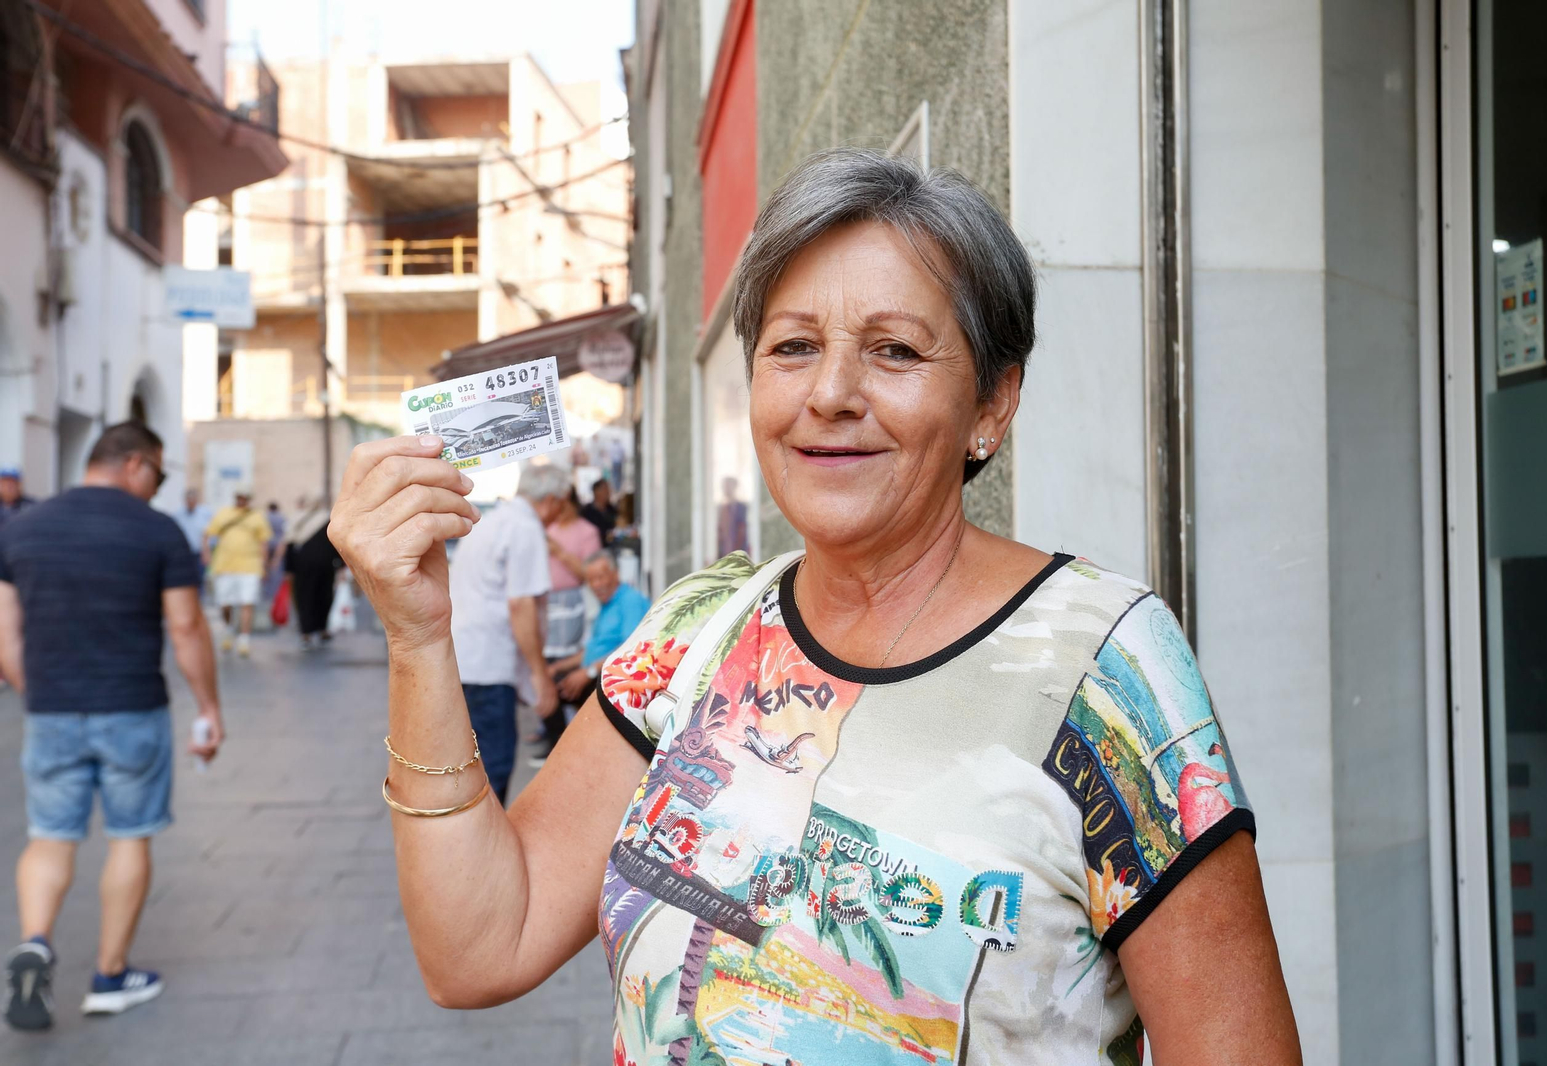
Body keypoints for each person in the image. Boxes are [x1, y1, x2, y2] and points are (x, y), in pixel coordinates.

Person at [328, 149, 1300, 1064]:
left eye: (894, 351)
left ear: (993, 405)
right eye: (793, 346)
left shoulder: (1107, 668)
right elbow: (481, 947)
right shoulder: (696, 631)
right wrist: (418, 637)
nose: (831, 393)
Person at [0, 421, 223, 1031]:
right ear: (136, 464)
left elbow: (4, 632)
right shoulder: (156, 530)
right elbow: (185, 629)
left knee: (50, 834)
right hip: (131, 707)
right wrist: (209, 708)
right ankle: (109, 974)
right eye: (159, 473)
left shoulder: (23, 528)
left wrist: (37, 692)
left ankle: (37, 943)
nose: (158, 486)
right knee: (130, 835)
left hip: (50, 711)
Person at [441, 463, 558, 805]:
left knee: (471, 767)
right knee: (493, 766)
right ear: (550, 499)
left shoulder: (493, 522)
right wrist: (540, 675)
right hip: (488, 664)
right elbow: (520, 605)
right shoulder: (524, 528)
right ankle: (482, 853)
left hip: (465, 658)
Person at [530, 475, 600, 758]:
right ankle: (553, 734)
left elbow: (590, 573)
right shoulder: (549, 528)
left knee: (570, 666)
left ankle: (576, 738)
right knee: (544, 665)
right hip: (548, 604)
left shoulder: (586, 531)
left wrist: (558, 552)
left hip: (574, 604)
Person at [546, 551, 651, 710]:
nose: (596, 585)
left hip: (613, 682)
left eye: (600, 577)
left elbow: (630, 649)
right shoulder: (606, 605)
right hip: (595, 674)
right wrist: (557, 667)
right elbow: (590, 650)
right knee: (547, 678)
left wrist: (587, 673)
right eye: (591, 580)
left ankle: (560, 734)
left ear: (615, 574)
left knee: (551, 689)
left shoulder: (630, 600)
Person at [202, 490, 272, 658]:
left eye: (245, 498)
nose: (242, 500)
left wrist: (264, 565)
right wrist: (207, 555)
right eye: (240, 497)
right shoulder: (224, 514)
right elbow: (207, 534)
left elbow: (264, 542)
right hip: (225, 565)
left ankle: (244, 639)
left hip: (250, 565)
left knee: (247, 602)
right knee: (225, 603)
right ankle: (229, 629)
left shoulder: (257, 516)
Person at [280, 498, 341, 651]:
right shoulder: (301, 520)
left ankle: (317, 629)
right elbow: (290, 544)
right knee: (314, 598)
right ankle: (308, 631)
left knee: (317, 598)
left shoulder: (326, 519)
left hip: (314, 567)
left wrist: (288, 569)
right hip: (316, 567)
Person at [168, 488, 212, 588]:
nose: (190, 502)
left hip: (200, 552)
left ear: (196, 500)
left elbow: (210, 534)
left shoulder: (205, 514)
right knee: (184, 579)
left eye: (192, 500)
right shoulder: (178, 515)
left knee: (200, 578)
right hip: (184, 552)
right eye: (188, 500)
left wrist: (207, 552)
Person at [715, 475, 749, 557]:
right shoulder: (721, 508)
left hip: (738, 551)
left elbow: (742, 529)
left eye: (728, 486)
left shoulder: (741, 507)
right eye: (724, 486)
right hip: (723, 553)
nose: (725, 489)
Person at [579, 477, 617, 545]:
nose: (608, 492)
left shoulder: (613, 510)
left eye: (608, 489)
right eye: (605, 489)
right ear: (596, 492)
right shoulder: (586, 511)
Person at [0, 468, 37, 533]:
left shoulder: (31, 506)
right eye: (5, 483)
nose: (9, 487)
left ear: (19, 485)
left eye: (13, 483)